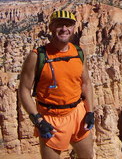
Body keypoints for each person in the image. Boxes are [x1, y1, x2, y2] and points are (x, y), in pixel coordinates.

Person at [19, 10, 94, 159]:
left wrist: (90, 111)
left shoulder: (79, 53)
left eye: (69, 25)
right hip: (50, 118)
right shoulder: (37, 56)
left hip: (77, 114)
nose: (64, 28)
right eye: (59, 24)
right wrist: (38, 120)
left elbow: (86, 83)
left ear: (74, 28)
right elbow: (24, 90)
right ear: (51, 27)